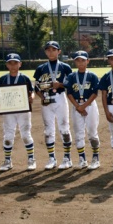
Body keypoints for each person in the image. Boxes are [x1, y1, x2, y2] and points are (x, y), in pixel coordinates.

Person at [0, 53, 35, 171]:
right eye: (10, 63)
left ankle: (31, 159)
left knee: (25, 135)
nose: (13, 65)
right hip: (8, 111)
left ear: (20, 64)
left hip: (23, 110)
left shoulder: (24, 78)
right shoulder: (3, 79)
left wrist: (32, 98)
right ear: (7, 65)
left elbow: (31, 92)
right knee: (8, 135)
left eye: (15, 63)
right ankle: (7, 161)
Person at [33, 40, 73, 170]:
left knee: (64, 127)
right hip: (46, 99)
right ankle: (52, 158)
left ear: (59, 51)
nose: (51, 52)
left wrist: (60, 84)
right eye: (48, 50)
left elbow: (71, 84)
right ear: (45, 52)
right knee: (48, 129)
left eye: (54, 50)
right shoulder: (41, 68)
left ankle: (67, 158)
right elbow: (36, 86)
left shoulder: (65, 67)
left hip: (60, 97)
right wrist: (42, 97)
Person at [63, 51, 101, 169]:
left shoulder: (92, 76)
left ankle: (95, 158)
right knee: (78, 133)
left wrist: (83, 106)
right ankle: (82, 159)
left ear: (87, 61)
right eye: (78, 60)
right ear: (75, 62)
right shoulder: (71, 76)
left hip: (90, 105)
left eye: (83, 60)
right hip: (76, 106)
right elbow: (69, 93)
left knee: (92, 133)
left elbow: (95, 93)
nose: (80, 63)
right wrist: (78, 106)